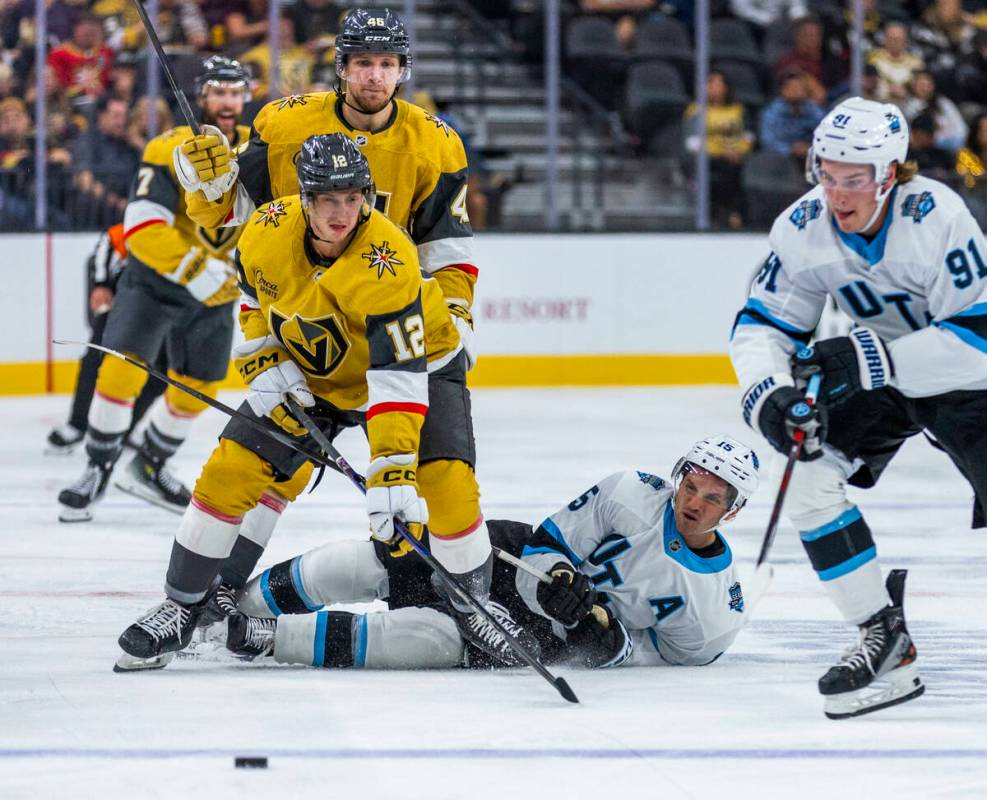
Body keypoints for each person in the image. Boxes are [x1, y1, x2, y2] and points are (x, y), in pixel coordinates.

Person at [116, 133, 530, 673]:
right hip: (316, 375)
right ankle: (181, 607)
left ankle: (474, 604)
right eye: (328, 199)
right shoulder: (264, 231)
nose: (342, 213)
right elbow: (254, 299)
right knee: (230, 469)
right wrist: (262, 360)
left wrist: (392, 471)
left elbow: (396, 378)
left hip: (420, 367)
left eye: (353, 198)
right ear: (304, 199)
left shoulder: (388, 261)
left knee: (447, 481)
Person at [729, 97, 987, 719]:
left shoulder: (939, 216)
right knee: (809, 480)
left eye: (855, 179)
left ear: (891, 174)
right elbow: (761, 325)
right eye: (827, 174)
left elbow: (980, 335)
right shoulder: (801, 227)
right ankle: (884, 637)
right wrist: (772, 399)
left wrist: (874, 362)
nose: (838, 194)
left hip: (965, 377)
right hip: (887, 375)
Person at [210, 436, 760, 672]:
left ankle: (264, 638)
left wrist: (609, 644)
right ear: (679, 475)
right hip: (517, 562)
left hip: (556, 635)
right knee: (384, 562)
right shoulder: (630, 492)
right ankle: (236, 604)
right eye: (691, 484)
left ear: (730, 512)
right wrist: (557, 576)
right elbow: (552, 542)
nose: (693, 502)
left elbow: (658, 656)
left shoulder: (715, 611)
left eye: (713, 498)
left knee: (429, 639)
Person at [174, 8, 478, 373]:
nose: (375, 77)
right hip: (302, 324)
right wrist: (205, 181)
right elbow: (224, 211)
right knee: (246, 434)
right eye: (363, 62)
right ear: (342, 67)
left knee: (424, 430)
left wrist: (453, 308)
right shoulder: (285, 124)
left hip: (389, 319)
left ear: (402, 69)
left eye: (386, 64)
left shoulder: (435, 143)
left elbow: (446, 249)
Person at [57, 57, 251, 523]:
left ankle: (149, 464)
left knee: (199, 385)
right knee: (121, 372)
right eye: (217, 91)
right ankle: (96, 468)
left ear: (245, 96)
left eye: (234, 92)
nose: (226, 101)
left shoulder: (260, 150)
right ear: (201, 95)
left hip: (217, 290)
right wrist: (196, 267)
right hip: (156, 281)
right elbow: (142, 227)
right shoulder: (168, 147)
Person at [45, 225, 166, 455]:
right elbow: (107, 245)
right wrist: (101, 284)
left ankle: (126, 428)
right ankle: (77, 424)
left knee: (162, 371)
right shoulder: (132, 226)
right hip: (121, 302)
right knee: (94, 360)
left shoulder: (185, 227)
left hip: (162, 308)